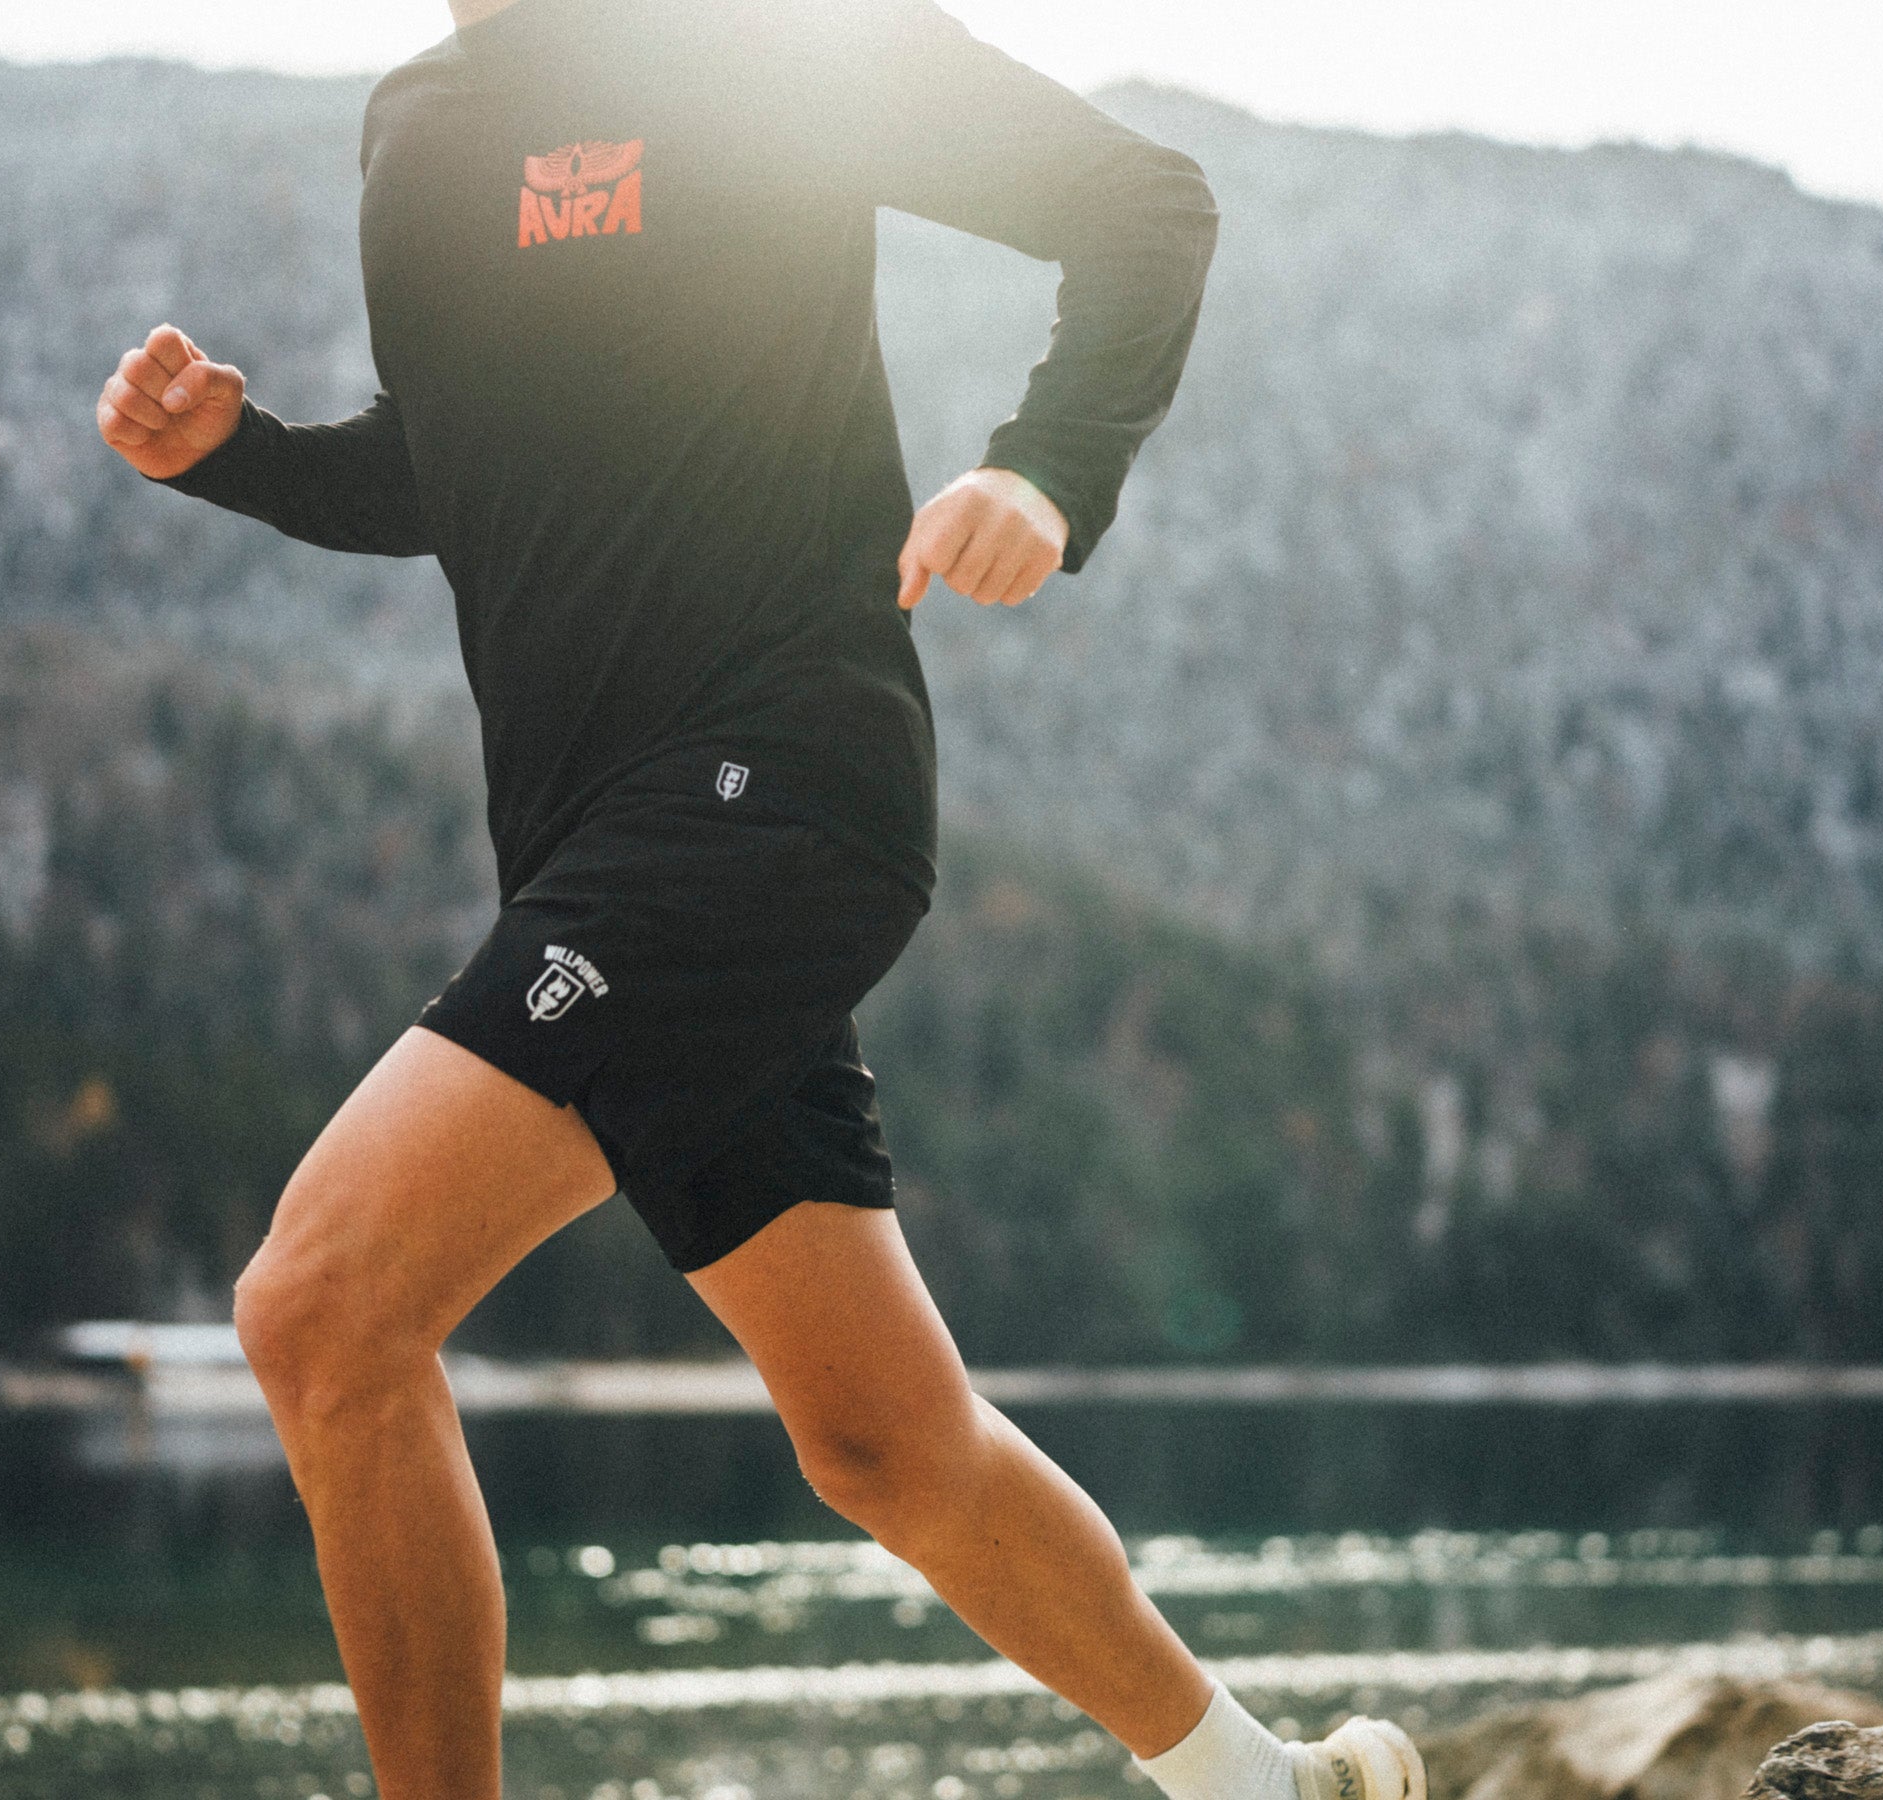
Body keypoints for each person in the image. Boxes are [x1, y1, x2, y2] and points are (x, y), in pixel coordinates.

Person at [97, 2, 1426, 1798]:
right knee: (885, 1442)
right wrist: (241, 455)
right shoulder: (420, 123)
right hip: (601, 851)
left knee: (321, 1312)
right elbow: (455, 459)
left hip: (777, 788)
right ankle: (1273, 1787)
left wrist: (1047, 464)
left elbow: (1141, 204)